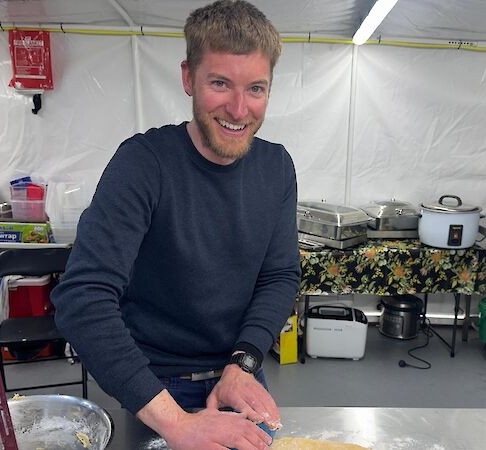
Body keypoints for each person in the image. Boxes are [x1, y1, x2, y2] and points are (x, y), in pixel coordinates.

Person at [51, 1, 301, 449]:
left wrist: (242, 363)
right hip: (157, 387)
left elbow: (280, 275)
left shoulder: (277, 168)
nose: (240, 109)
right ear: (189, 78)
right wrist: (177, 424)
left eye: (256, 88)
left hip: (240, 375)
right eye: (220, 83)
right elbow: (82, 298)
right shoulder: (143, 164)